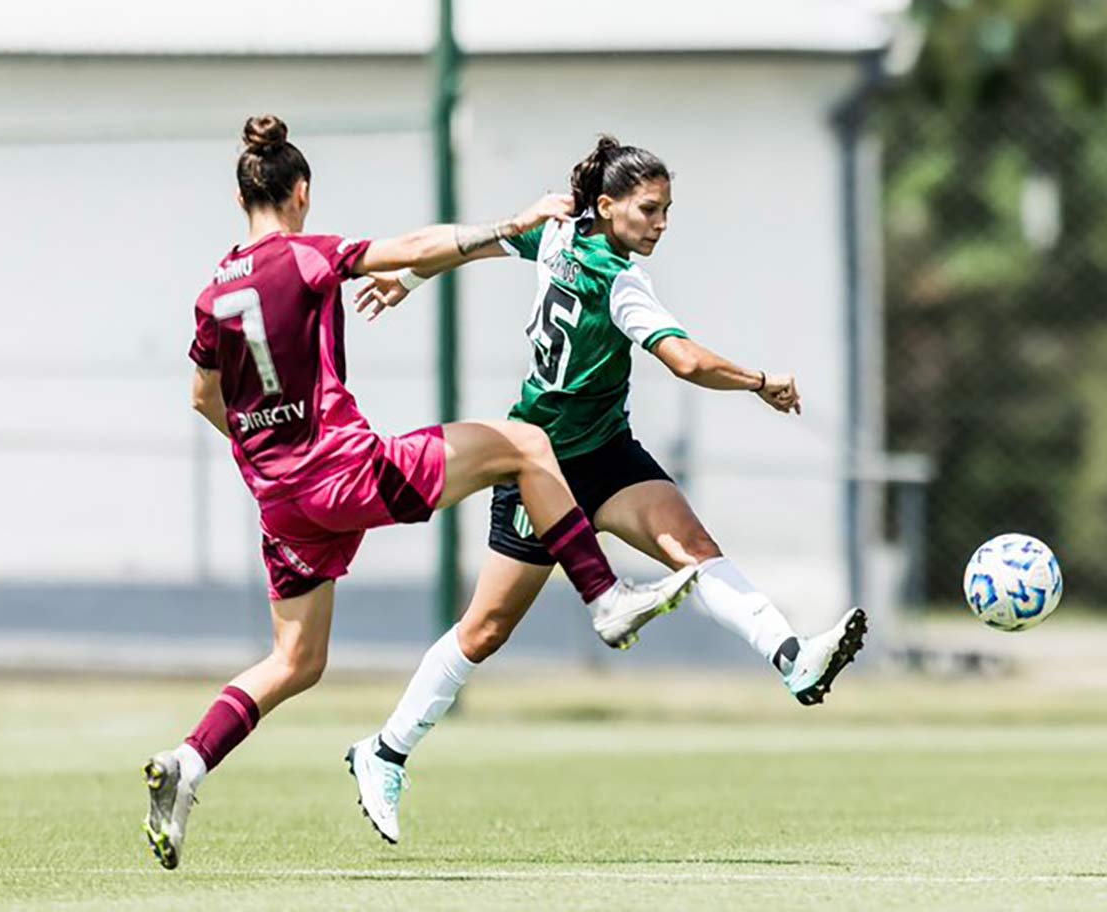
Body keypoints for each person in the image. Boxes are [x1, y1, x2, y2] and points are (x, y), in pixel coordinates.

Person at [141, 118, 697, 871]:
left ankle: (189, 762)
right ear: (300, 192)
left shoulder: (214, 293)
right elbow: (410, 250)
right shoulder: (307, 255)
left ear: (242, 195)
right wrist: (511, 225)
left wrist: (268, 453)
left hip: (279, 500)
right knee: (528, 444)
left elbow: (204, 396)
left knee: (296, 661)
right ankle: (603, 597)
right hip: (344, 471)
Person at [345, 136, 868, 844]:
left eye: (667, 210)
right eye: (649, 210)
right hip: (540, 466)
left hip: (607, 452)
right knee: (486, 629)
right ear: (607, 206)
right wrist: (759, 382)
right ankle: (384, 750)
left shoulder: (556, 233)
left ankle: (793, 657)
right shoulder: (620, 281)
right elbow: (683, 361)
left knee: (692, 547)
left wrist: (409, 279)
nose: (660, 223)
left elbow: (473, 248)